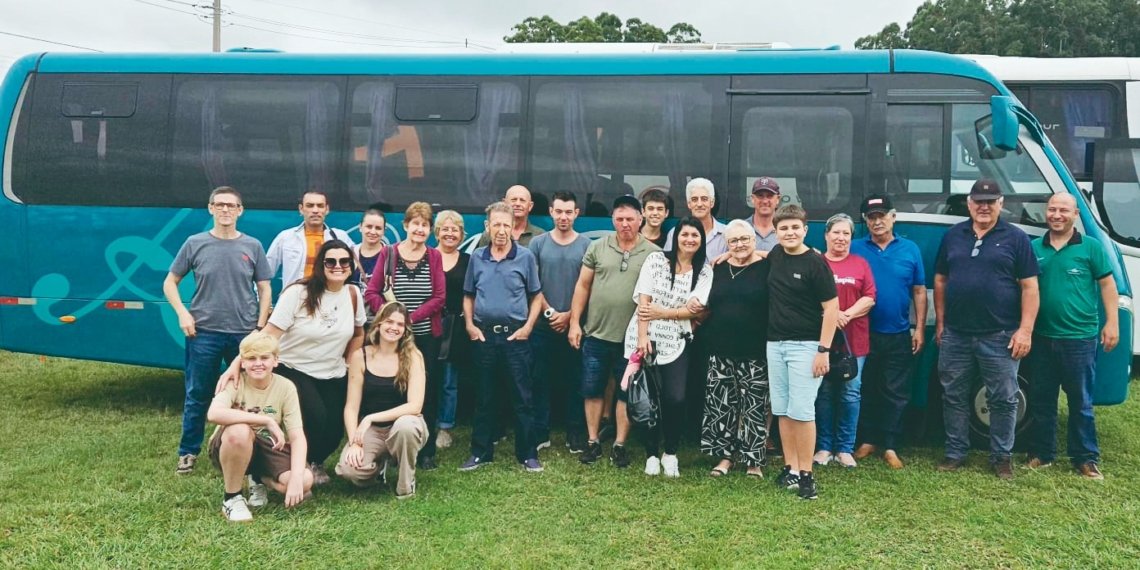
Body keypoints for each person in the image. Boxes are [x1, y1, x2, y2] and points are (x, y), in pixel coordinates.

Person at [220, 240, 367, 485]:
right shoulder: (298, 293)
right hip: (295, 367)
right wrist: (239, 360)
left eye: (344, 261)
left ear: (351, 266)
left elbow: (359, 333)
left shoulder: (352, 294)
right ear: (321, 264)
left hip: (333, 371)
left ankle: (313, 462)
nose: (338, 266)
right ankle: (288, 467)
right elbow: (268, 333)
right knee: (315, 417)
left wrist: (351, 362)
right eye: (331, 261)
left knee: (333, 430)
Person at [934, 179, 1039, 480]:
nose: (984, 206)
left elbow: (1030, 287)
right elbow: (941, 280)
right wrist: (941, 323)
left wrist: (1025, 331)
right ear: (969, 204)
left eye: (990, 201)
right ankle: (955, 453)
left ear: (1001, 203)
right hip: (956, 333)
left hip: (1001, 335)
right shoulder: (953, 235)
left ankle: (1001, 457)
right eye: (978, 201)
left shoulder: (1016, 238)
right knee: (953, 394)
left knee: (1004, 398)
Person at [164, 186, 272, 475]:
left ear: (240, 211)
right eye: (220, 204)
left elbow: (264, 288)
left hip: (244, 335)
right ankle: (188, 452)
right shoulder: (194, 243)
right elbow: (169, 283)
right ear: (210, 208)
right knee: (198, 393)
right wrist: (183, 313)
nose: (226, 210)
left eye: (232, 205)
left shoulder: (252, 246)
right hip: (204, 334)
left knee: (250, 394)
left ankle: (253, 448)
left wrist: (259, 328)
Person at [1026, 193, 1118, 480]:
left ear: (1075, 213)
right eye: (1052, 209)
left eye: (1063, 210)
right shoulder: (1033, 248)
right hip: (1042, 336)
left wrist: (1112, 322)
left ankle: (1085, 458)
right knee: (1042, 399)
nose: (1056, 215)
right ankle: (1043, 454)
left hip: (1079, 339)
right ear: (1045, 213)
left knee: (1081, 402)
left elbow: (1107, 286)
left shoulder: (1091, 248)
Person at [568, 195, 661, 468]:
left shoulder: (653, 253)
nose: (624, 224)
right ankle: (593, 441)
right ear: (613, 220)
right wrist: (575, 323)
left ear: (640, 219)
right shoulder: (598, 248)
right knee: (592, 390)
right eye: (619, 219)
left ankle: (620, 444)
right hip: (596, 334)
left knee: (624, 393)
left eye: (630, 219)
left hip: (631, 339)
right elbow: (582, 286)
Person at [626, 217, 714, 478]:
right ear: (676, 238)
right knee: (647, 398)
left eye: (695, 236)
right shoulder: (656, 261)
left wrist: (663, 311)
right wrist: (643, 336)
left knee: (675, 398)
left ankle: (671, 452)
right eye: (684, 234)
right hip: (646, 338)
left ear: (702, 240)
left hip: (678, 341)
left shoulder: (705, 271)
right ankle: (651, 453)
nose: (689, 240)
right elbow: (644, 301)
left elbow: (695, 310)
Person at [460, 202, 544, 473]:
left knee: (522, 398)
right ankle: (480, 453)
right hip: (484, 338)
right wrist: (471, 326)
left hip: (516, 340)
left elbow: (536, 296)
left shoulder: (525, 258)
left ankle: (527, 454)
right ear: (488, 227)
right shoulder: (477, 258)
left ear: (513, 228)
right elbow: (469, 295)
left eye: (506, 225)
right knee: (484, 398)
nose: (501, 230)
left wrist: (528, 327)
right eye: (496, 224)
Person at [363, 202, 446, 470]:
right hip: (391, 339)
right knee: (394, 391)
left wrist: (409, 319)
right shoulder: (388, 255)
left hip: (424, 338)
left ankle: (426, 451)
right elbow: (372, 293)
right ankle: (389, 447)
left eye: (425, 224)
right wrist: (391, 319)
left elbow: (439, 297)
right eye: (415, 223)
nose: (420, 229)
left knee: (427, 393)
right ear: (406, 225)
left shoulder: (434, 257)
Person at [767, 204, 839, 500]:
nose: (789, 232)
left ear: (805, 230)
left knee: (802, 411)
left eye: (795, 227)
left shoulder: (816, 263)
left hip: (806, 347)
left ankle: (807, 475)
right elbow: (759, 258)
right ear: (776, 231)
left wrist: (823, 350)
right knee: (783, 410)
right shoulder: (775, 255)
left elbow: (831, 308)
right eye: (783, 228)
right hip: (775, 344)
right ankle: (791, 468)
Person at [850, 195, 927, 470]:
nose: (877, 221)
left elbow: (918, 291)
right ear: (865, 221)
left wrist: (918, 328)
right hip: (863, 331)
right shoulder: (856, 248)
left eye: (882, 215)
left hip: (898, 332)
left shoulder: (910, 249)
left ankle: (891, 445)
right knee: (866, 387)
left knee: (896, 390)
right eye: (871, 217)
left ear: (893, 217)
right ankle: (868, 440)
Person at [207, 331, 312, 522]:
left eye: (264, 358)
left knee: (305, 480)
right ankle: (232, 498)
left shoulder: (286, 387)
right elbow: (214, 414)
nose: (258, 363)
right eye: (251, 358)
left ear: (275, 360)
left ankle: (259, 477)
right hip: (231, 444)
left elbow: (297, 436)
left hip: (266, 445)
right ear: (243, 362)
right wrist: (267, 420)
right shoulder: (235, 381)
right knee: (239, 430)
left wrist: (296, 478)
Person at [700, 220, 771, 478]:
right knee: (722, 405)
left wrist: (761, 253)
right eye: (733, 241)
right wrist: (727, 256)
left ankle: (754, 461)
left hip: (755, 349)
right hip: (720, 348)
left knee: (754, 406)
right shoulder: (717, 268)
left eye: (744, 239)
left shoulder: (767, 266)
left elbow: (796, 254)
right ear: (726, 244)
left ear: (754, 240)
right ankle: (725, 457)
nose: (739, 244)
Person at [336, 302, 428, 498]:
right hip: (373, 431)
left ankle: (405, 485)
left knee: (405, 426)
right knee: (349, 470)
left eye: (400, 325)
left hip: (406, 425)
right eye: (389, 322)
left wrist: (369, 417)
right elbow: (351, 408)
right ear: (378, 324)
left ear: (405, 331)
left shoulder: (413, 356)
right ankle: (378, 469)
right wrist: (354, 441)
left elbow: (415, 405)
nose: (394, 328)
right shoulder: (360, 356)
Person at [527, 191, 591, 453]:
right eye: (559, 211)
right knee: (539, 379)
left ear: (576, 214)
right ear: (551, 212)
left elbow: (587, 286)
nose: (563, 217)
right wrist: (551, 313)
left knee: (575, 380)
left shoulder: (587, 245)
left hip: (575, 326)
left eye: (569, 212)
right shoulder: (538, 244)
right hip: (543, 326)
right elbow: (533, 284)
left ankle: (575, 432)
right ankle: (540, 431)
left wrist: (570, 317)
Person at [814, 213, 876, 468]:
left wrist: (845, 315)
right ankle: (824, 447)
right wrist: (831, 315)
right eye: (836, 232)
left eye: (846, 233)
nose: (841, 238)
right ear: (826, 235)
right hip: (822, 341)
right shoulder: (816, 263)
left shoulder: (860, 263)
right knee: (824, 393)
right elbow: (807, 297)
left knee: (851, 392)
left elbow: (870, 297)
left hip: (854, 341)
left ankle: (845, 448)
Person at [266, 190, 355, 289]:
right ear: (301, 209)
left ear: (327, 209)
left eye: (320, 206)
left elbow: (355, 266)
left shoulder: (340, 237)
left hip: (330, 297)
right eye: (310, 205)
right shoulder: (286, 237)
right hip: (294, 299)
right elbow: (264, 273)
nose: (315, 210)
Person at [434, 210, 470, 450]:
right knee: (424, 377)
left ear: (461, 234)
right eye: (445, 229)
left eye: (454, 229)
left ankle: (444, 428)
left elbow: (471, 296)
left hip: (454, 328)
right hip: (427, 325)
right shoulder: (425, 257)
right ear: (437, 232)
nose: (450, 233)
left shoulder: (468, 261)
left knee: (449, 380)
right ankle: (421, 422)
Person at [665, 178, 727, 259]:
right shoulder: (674, 233)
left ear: (712, 202)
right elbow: (666, 264)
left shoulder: (727, 233)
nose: (699, 204)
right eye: (694, 199)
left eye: (704, 199)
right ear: (689, 204)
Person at [477, 185, 546, 247]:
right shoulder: (490, 234)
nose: (518, 204)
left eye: (522, 200)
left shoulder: (540, 235)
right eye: (513, 200)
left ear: (530, 206)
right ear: (504, 202)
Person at [738, 177, 781, 252]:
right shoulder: (740, 228)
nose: (765, 201)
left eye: (770, 196)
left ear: (778, 199)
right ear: (752, 199)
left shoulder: (786, 230)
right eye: (760, 196)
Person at [355, 203, 388, 295]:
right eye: (369, 227)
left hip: (379, 308)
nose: (373, 232)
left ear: (384, 231)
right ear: (360, 227)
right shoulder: (349, 254)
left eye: (378, 228)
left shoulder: (391, 256)